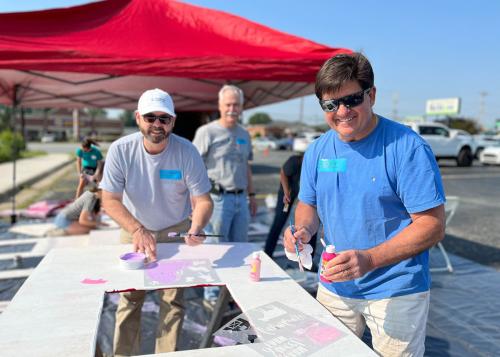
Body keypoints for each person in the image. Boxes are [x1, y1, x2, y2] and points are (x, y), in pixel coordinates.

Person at [283, 53, 446, 357]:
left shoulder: (407, 147)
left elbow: (432, 225)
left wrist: (370, 259)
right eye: (331, 105)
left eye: (352, 99)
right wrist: (302, 229)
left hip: (395, 289)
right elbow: (309, 204)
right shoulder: (318, 150)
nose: (342, 112)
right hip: (334, 285)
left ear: (371, 95)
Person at [100, 88, 213, 356]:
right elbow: (110, 200)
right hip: (134, 230)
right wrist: (137, 230)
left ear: (173, 121)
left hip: (175, 232)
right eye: (151, 117)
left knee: (173, 301)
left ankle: (168, 353)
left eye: (164, 118)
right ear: (138, 118)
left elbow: (204, 201)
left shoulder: (186, 151)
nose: (157, 125)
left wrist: (196, 227)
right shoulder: (120, 150)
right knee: (129, 298)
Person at [192, 84, 257, 243]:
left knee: (241, 247)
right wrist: (193, 202)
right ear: (220, 106)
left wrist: (252, 195)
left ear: (241, 108)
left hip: (241, 200)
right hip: (217, 200)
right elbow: (192, 167)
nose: (232, 108)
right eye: (228, 104)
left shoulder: (244, 134)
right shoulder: (207, 132)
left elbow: (246, 165)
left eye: (236, 105)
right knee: (217, 248)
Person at [263, 149, 318, 262]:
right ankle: (268, 253)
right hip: (287, 194)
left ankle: (309, 259)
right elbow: (283, 173)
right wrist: (286, 191)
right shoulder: (295, 161)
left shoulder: (315, 165)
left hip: (304, 195)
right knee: (279, 221)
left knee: (311, 226)